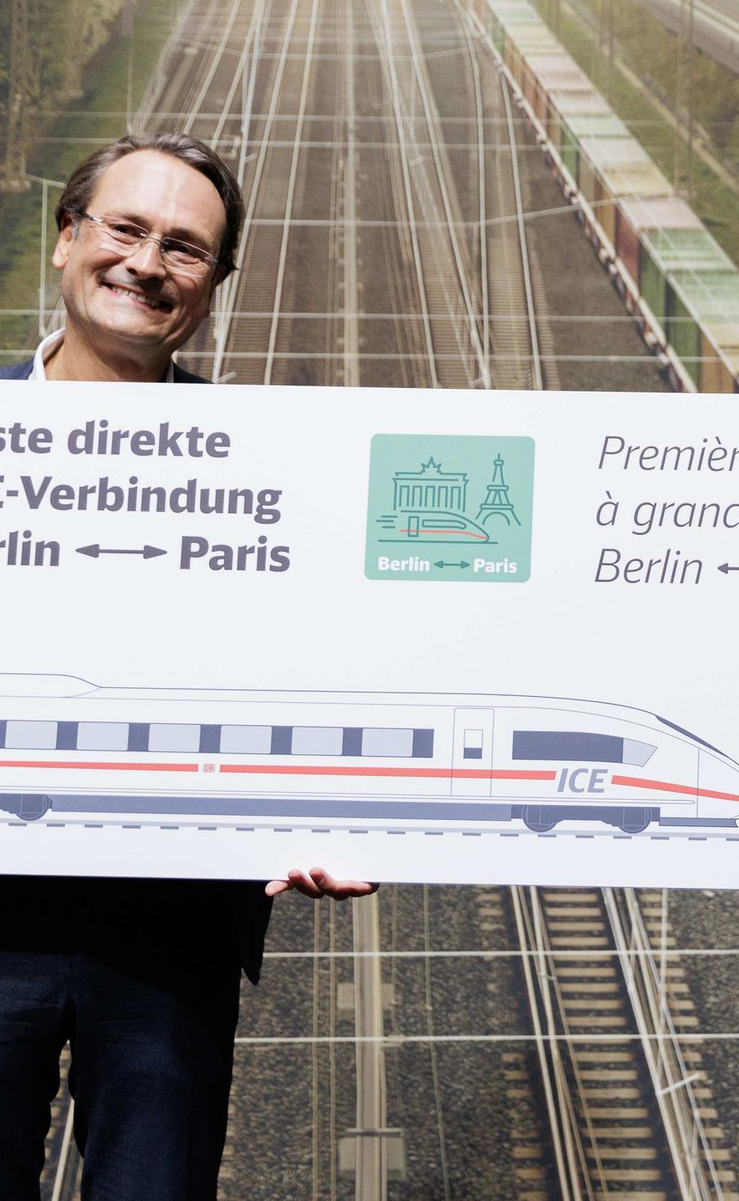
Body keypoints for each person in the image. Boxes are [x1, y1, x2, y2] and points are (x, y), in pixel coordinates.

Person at [0, 132, 376, 1200]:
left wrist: (349, 811)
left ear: (213, 283)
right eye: (124, 228)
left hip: (168, 936)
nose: (146, 263)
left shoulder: (276, 465)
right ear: (67, 237)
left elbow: (331, 670)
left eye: (184, 247)